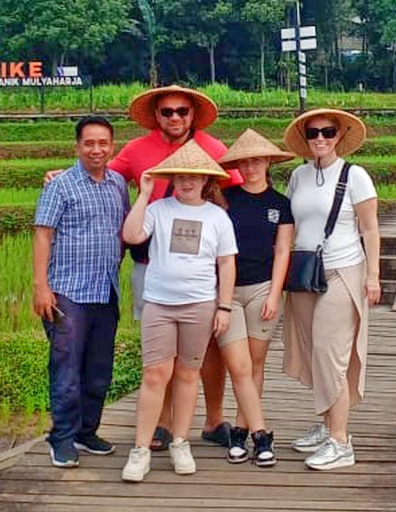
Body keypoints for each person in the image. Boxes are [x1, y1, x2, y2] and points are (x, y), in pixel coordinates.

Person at [44, 85, 241, 451]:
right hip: (154, 268)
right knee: (159, 355)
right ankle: (162, 425)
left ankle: (213, 420)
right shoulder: (137, 150)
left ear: (193, 114)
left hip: (202, 269)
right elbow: (102, 173)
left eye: (182, 110)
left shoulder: (213, 149)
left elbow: (239, 190)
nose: (175, 117)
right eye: (167, 111)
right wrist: (63, 175)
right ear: (156, 116)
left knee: (208, 350)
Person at [120, 141, 274, 482]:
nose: (187, 182)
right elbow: (131, 235)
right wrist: (144, 195)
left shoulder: (217, 216)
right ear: (171, 179)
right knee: (155, 374)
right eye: (180, 176)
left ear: (206, 180)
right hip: (159, 303)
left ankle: (179, 441)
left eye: (194, 176)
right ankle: (140, 449)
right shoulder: (159, 210)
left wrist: (223, 305)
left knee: (189, 375)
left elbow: (226, 264)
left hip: (201, 304)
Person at [281, 108, 381, 471]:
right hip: (305, 273)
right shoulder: (298, 176)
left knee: (330, 352)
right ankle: (326, 425)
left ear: (339, 136)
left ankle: (340, 440)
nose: (320, 139)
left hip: (343, 271)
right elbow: (290, 227)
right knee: (311, 351)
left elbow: (370, 229)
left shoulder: (355, 176)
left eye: (327, 132)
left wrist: (373, 275)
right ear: (305, 139)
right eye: (313, 133)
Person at [33, 116, 129, 468]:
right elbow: (43, 234)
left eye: (103, 143)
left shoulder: (118, 184)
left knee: (99, 369)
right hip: (68, 292)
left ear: (112, 147)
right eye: (89, 143)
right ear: (77, 147)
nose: (96, 149)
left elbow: (125, 230)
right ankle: (61, 438)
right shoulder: (60, 186)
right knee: (66, 369)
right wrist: (41, 287)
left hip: (105, 290)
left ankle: (87, 432)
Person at [215, 129, 295, 463]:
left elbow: (282, 251)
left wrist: (275, 295)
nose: (251, 168)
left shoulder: (281, 205)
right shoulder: (225, 198)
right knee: (239, 366)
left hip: (264, 288)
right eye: (245, 162)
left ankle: (239, 430)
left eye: (257, 161)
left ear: (268, 163)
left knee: (255, 364)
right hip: (228, 293)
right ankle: (261, 435)